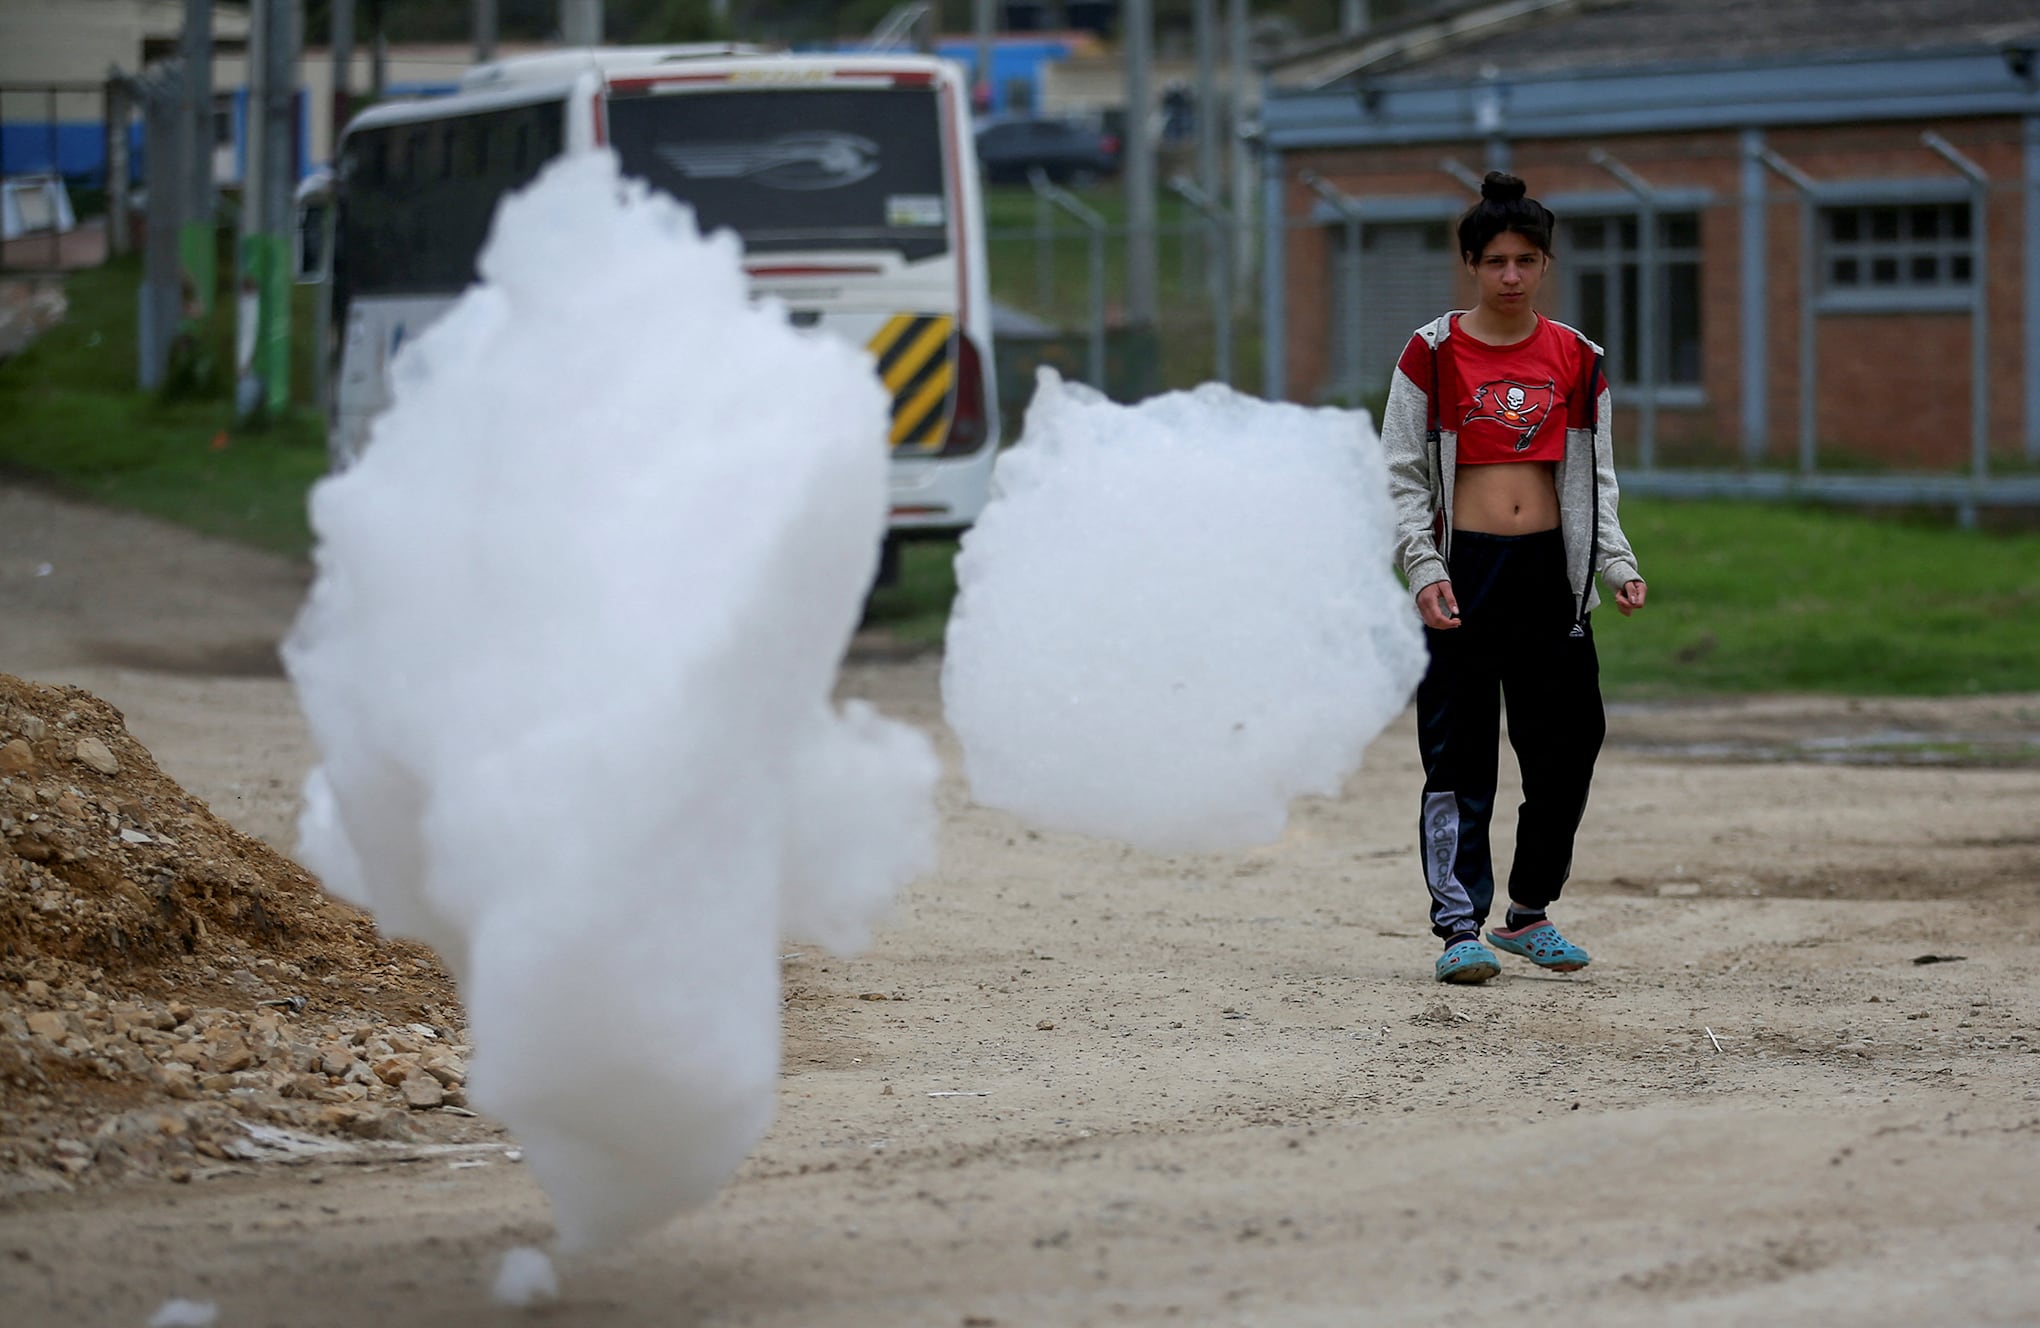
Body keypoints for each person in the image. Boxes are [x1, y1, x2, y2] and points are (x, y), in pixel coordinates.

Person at [1381, 171, 1647, 984]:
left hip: (1549, 579)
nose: (1510, 275)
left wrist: (1615, 559)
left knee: (1569, 749)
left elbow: (1595, 475)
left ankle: (1528, 911)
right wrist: (1422, 566)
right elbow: (1401, 474)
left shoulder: (1577, 356)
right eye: (1494, 259)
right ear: (1469, 263)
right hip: (1465, 574)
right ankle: (1459, 926)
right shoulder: (1431, 353)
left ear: (1544, 264)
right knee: (1459, 759)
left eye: (1525, 260)